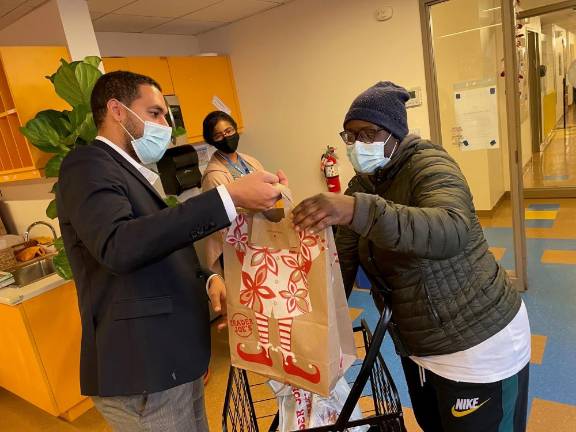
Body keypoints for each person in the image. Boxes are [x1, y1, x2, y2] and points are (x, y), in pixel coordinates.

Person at [292, 81, 531, 432]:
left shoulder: (429, 165)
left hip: (477, 344)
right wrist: (297, 317)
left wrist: (357, 211)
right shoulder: (364, 183)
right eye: (350, 136)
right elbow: (340, 264)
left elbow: (450, 228)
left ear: (395, 133)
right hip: (421, 346)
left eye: (368, 133)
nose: (359, 145)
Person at [57, 71, 287, 432]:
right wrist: (230, 197)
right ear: (117, 111)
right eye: (155, 114)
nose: (166, 125)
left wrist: (207, 279)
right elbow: (119, 245)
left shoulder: (131, 175)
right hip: (145, 370)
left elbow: (159, 248)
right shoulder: (87, 165)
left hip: (173, 360)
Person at [201, 111, 265, 274]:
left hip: (260, 235)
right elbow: (223, 217)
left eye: (228, 131)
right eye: (218, 135)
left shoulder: (250, 161)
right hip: (236, 244)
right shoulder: (213, 175)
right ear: (211, 140)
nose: (226, 137)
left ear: (235, 129)